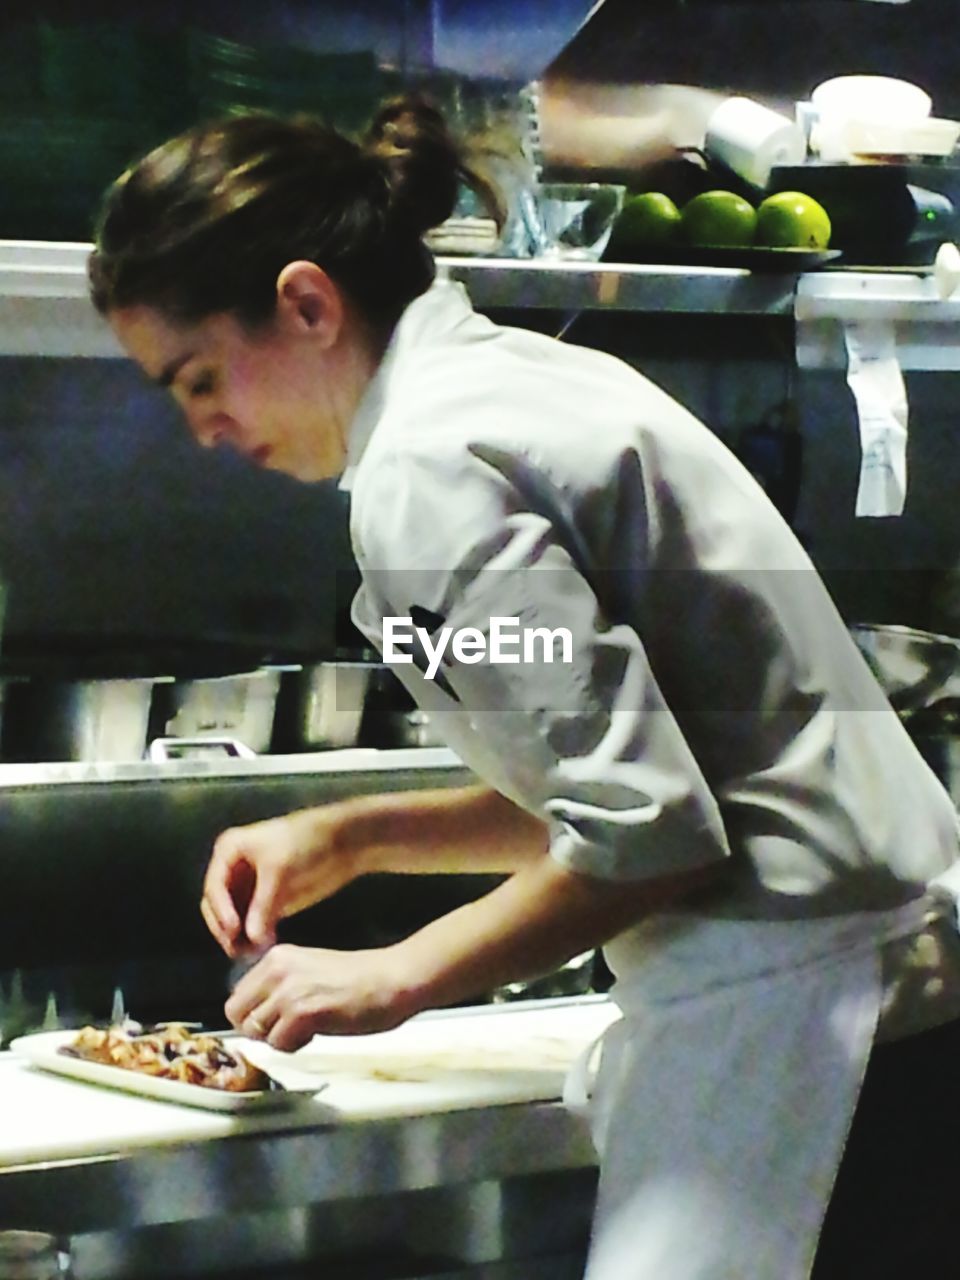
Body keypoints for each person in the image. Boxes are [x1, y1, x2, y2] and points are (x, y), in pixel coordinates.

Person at [88, 97, 960, 1279]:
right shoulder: (519, 384)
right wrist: (357, 834)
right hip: (888, 992)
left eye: (196, 380)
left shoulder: (430, 476)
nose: (203, 429)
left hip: (802, 1018)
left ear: (304, 302)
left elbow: (651, 833)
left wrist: (398, 973)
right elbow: (660, 774)